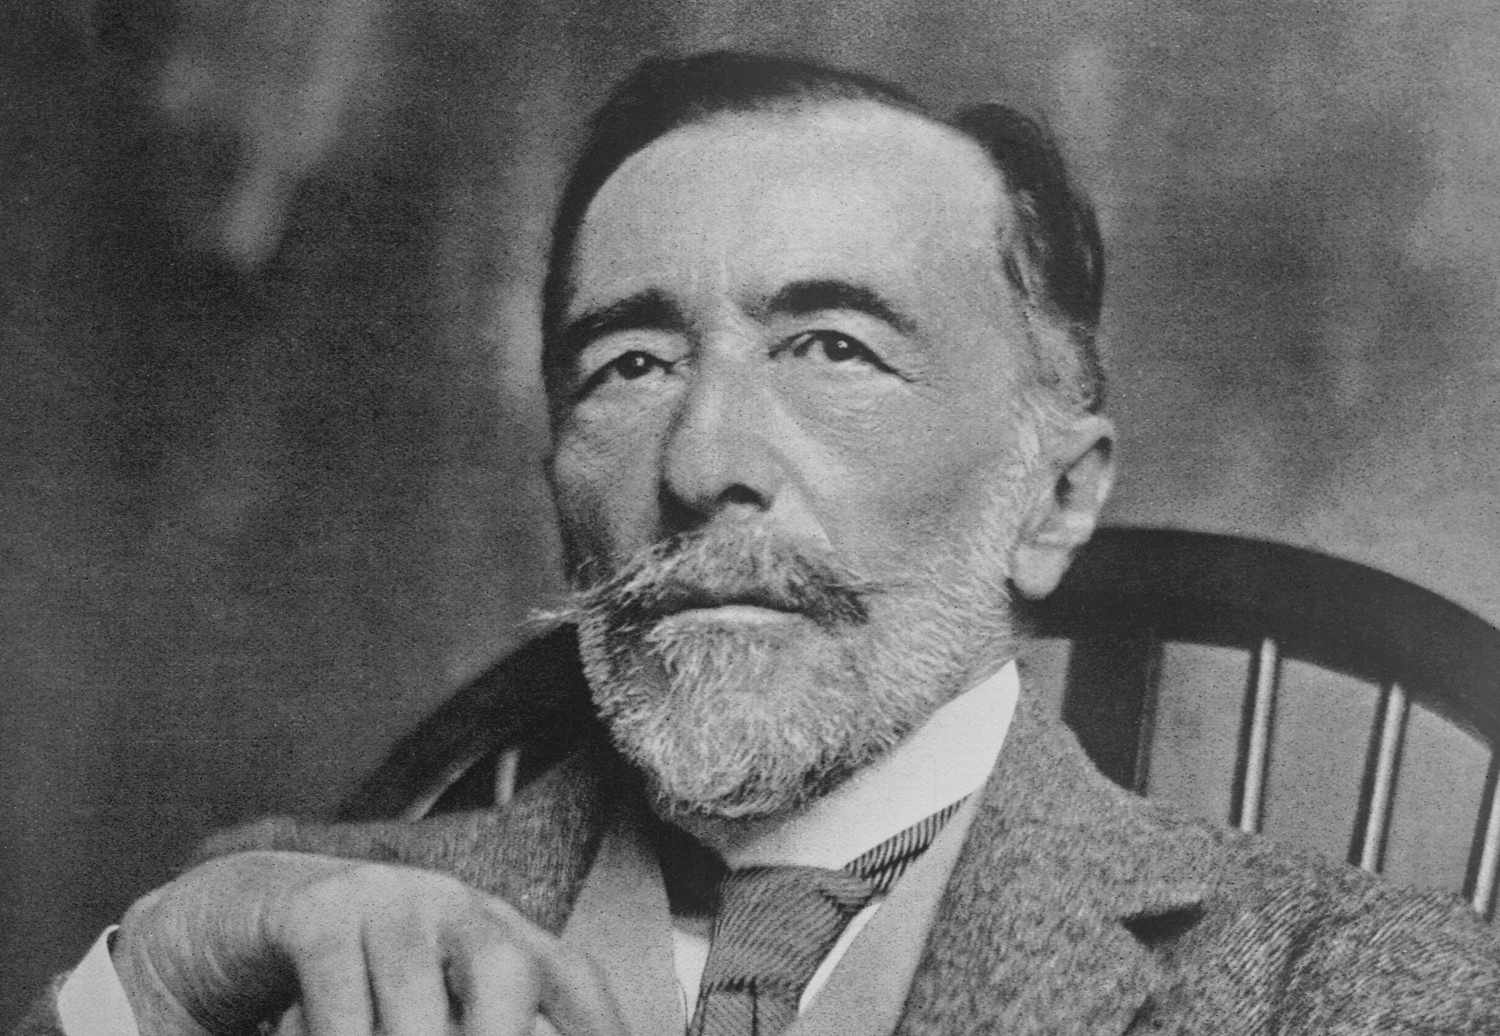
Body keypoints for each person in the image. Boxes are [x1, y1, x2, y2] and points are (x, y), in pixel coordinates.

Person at [22, 51, 1500, 1036]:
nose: (704, 464)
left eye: (833, 348)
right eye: (630, 365)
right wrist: (155, 986)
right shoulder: (262, 934)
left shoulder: (1363, 990)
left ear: (1053, 499)